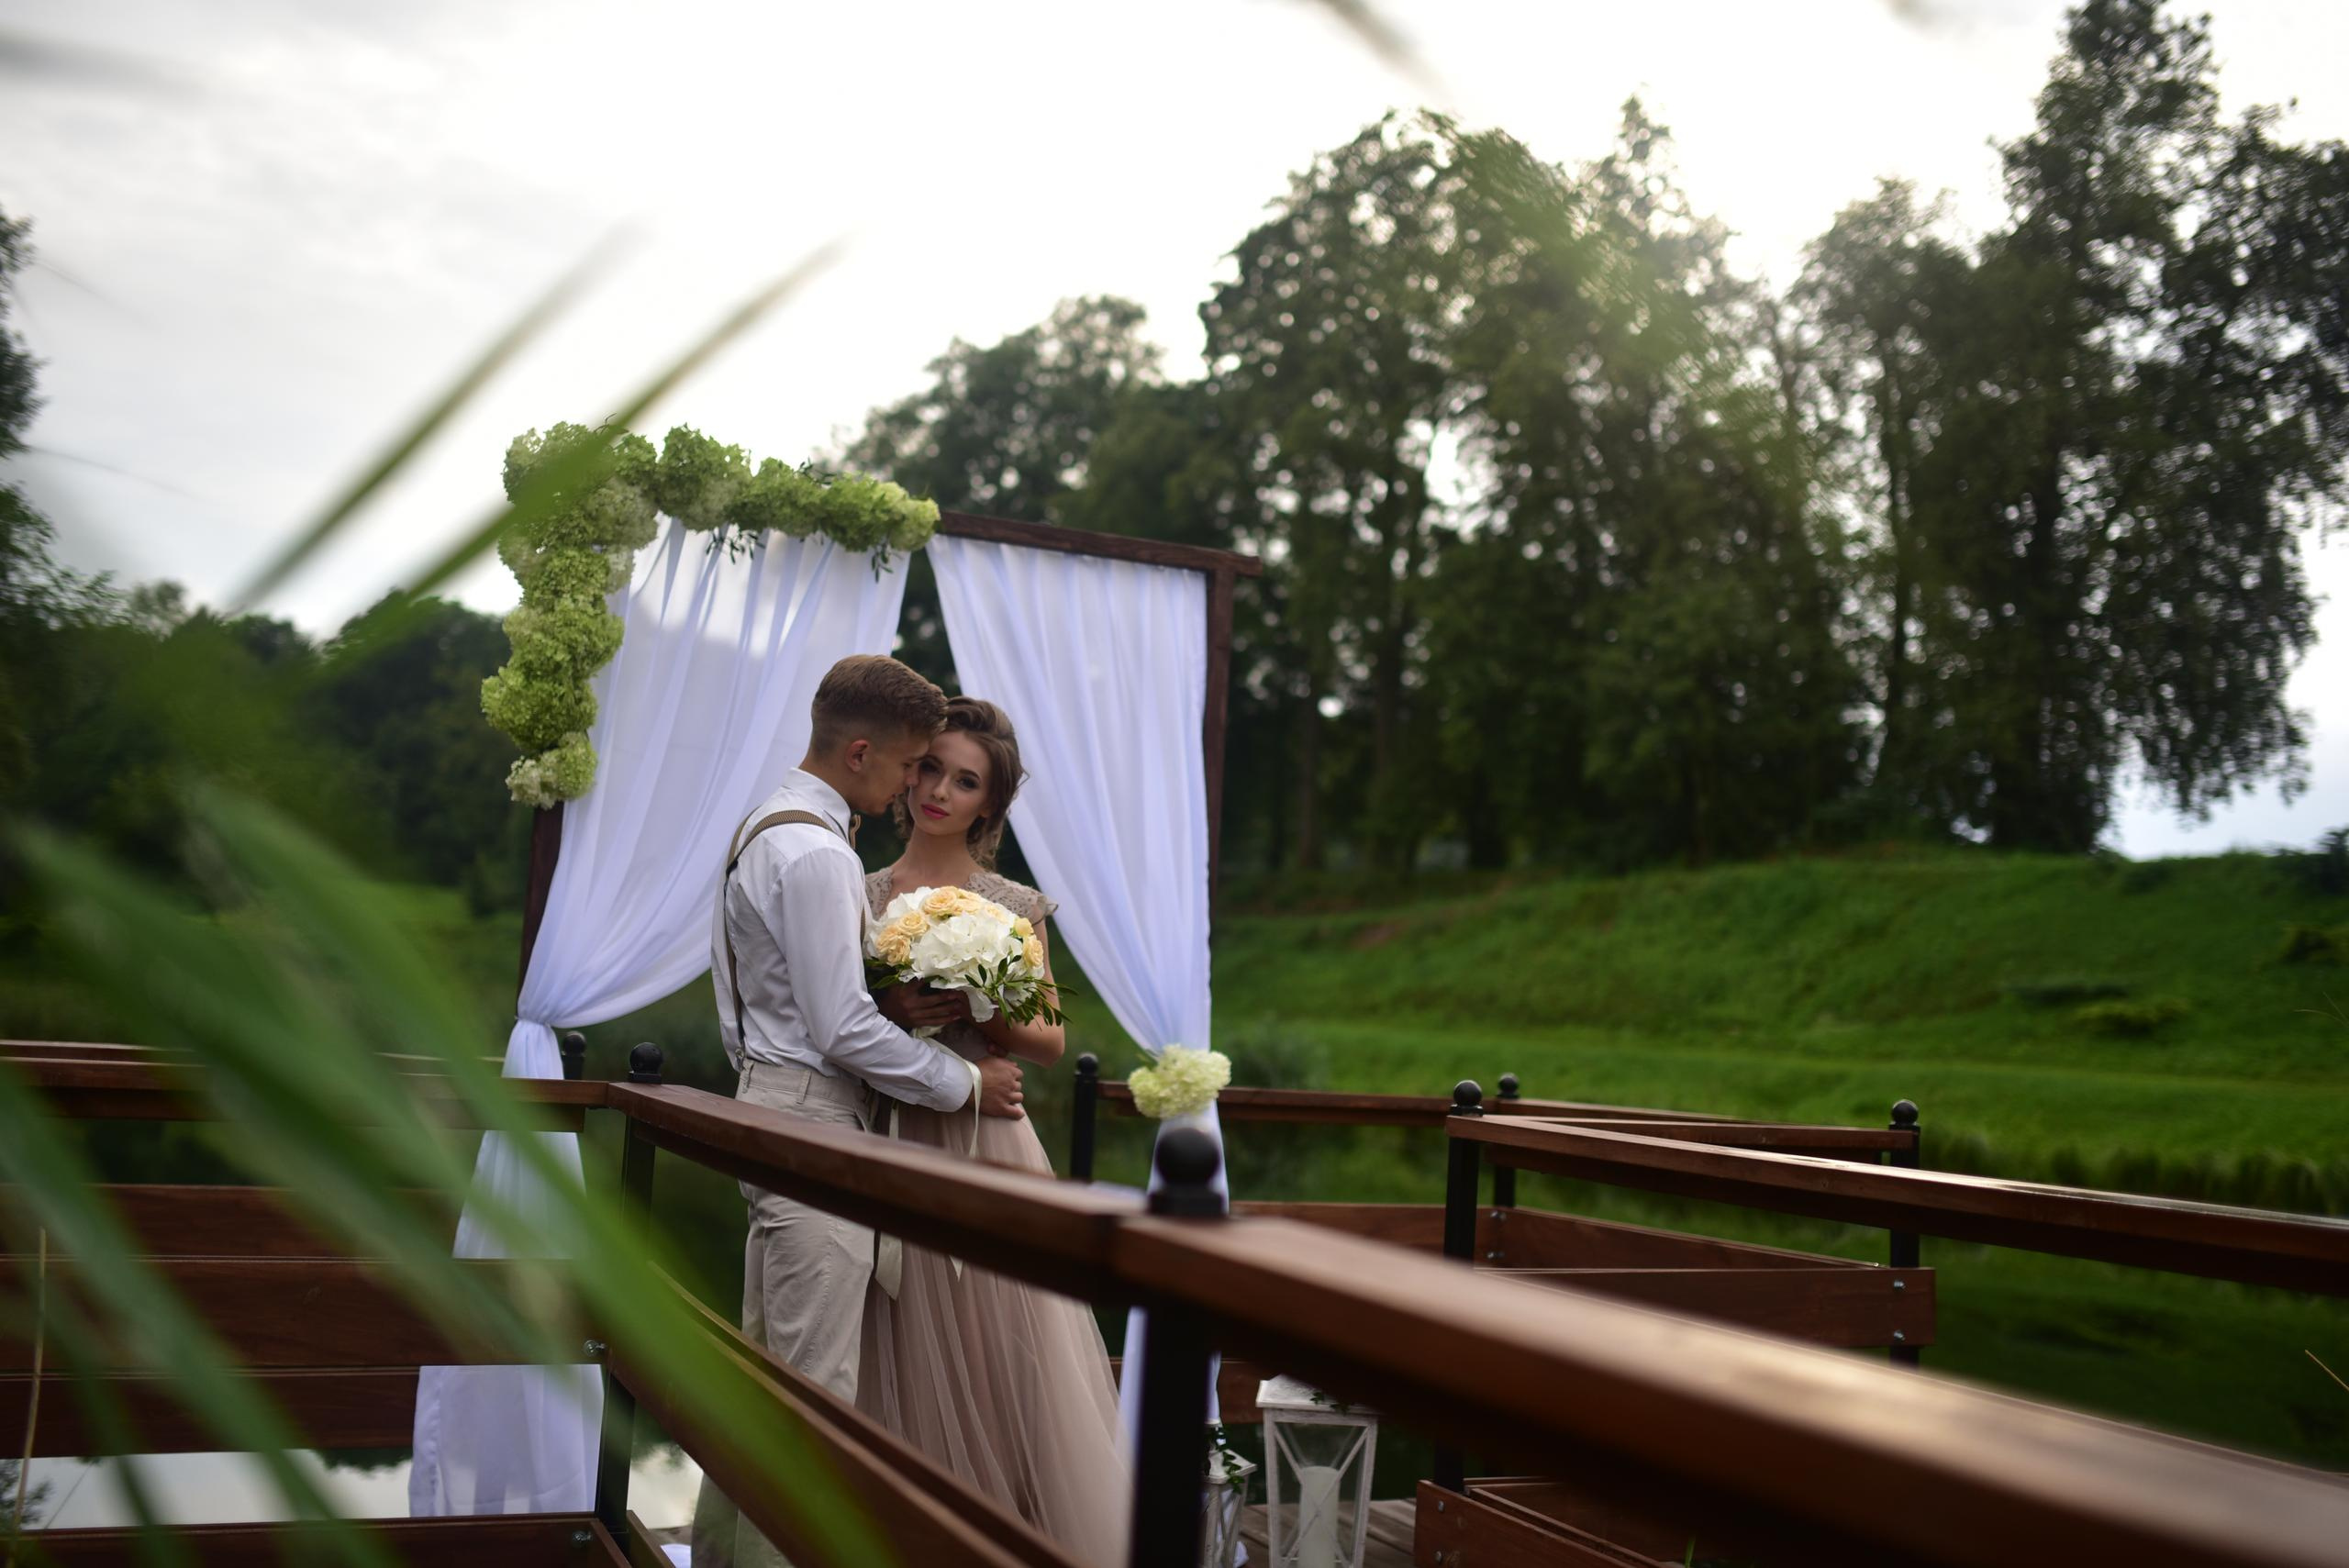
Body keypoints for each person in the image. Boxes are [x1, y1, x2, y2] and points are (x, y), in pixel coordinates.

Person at [691, 658, 1028, 1568]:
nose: (907, 787)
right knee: (811, 1404)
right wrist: (960, 1082)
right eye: (909, 763)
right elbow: (839, 1026)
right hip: (810, 1117)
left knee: (763, 1384)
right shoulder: (815, 853)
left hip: (772, 1103)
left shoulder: (767, 824)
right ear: (861, 750)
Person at [859, 695, 1130, 1564]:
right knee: (884, 1346)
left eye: (963, 780)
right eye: (930, 767)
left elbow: (1049, 1040)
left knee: (998, 1355)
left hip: (989, 1145)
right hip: (888, 1131)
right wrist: (891, 1001)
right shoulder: (861, 890)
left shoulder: (1009, 904)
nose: (938, 789)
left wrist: (977, 982)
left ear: (989, 804)